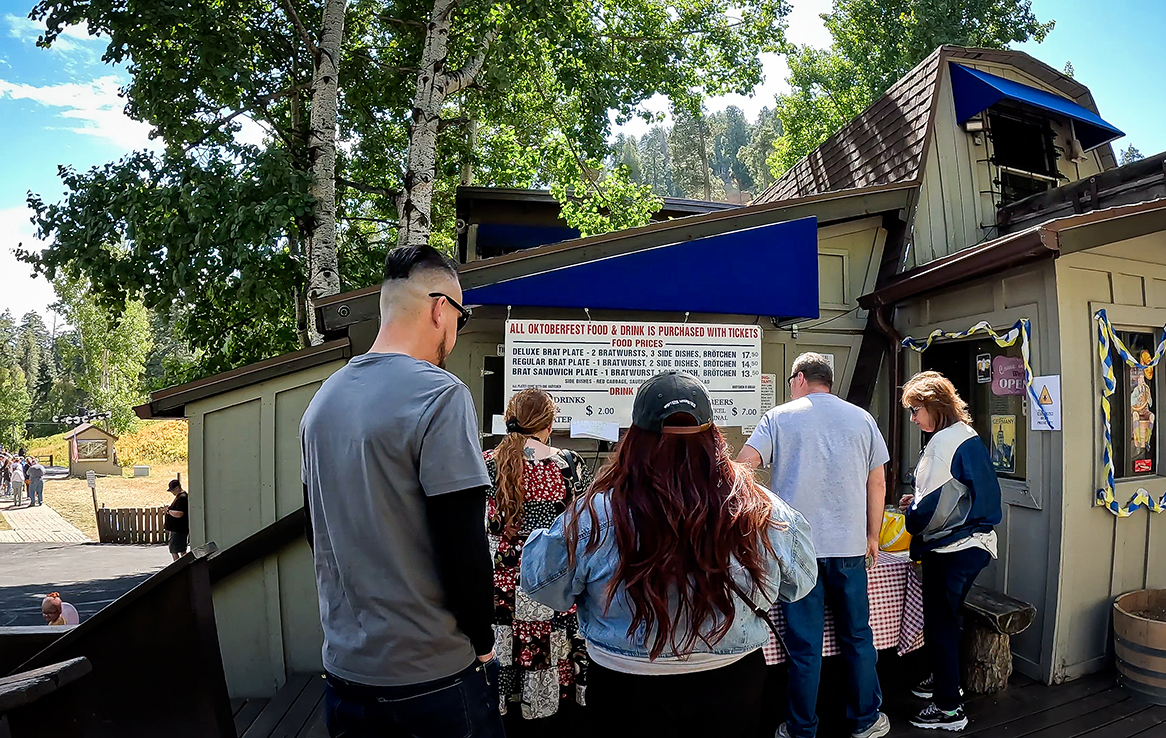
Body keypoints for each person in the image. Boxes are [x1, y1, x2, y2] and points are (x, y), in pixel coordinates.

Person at [522, 371, 817, 738]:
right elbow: (801, 581)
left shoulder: (595, 513)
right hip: (732, 680)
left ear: (635, 440)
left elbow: (541, 585)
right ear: (713, 437)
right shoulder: (758, 509)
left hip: (625, 682)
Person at [301, 244, 503, 738]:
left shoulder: (321, 404)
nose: (456, 331)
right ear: (441, 309)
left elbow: (315, 530)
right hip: (433, 677)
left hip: (346, 673)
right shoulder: (441, 394)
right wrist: (482, 641)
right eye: (461, 315)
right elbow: (463, 544)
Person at [737, 352, 891, 738]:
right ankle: (866, 721)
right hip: (851, 547)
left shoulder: (779, 417)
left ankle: (802, 728)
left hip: (796, 551)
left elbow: (743, 467)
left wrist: (763, 516)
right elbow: (878, 484)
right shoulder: (863, 419)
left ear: (800, 378)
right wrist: (872, 535)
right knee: (857, 637)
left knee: (804, 647)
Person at [898, 371, 1002, 731]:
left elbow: (927, 515)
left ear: (933, 406)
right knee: (950, 619)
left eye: (915, 410)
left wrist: (911, 512)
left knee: (940, 624)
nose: (913, 419)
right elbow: (960, 492)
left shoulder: (941, 444)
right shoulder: (967, 435)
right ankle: (946, 680)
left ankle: (949, 709)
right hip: (978, 542)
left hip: (952, 547)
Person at [484, 388, 591, 730]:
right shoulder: (567, 464)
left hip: (499, 594)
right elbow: (586, 527)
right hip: (550, 589)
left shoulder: (485, 463)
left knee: (503, 662)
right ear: (549, 424)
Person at [165, 479, 189, 561]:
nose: (172, 492)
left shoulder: (182, 498)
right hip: (179, 529)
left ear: (178, 487)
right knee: (181, 549)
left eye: (173, 490)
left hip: (178, 529)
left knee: (174, 549)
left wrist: (168, 511)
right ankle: (185, 564)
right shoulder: (180, 497)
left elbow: (179, 513)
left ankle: (178, 566)